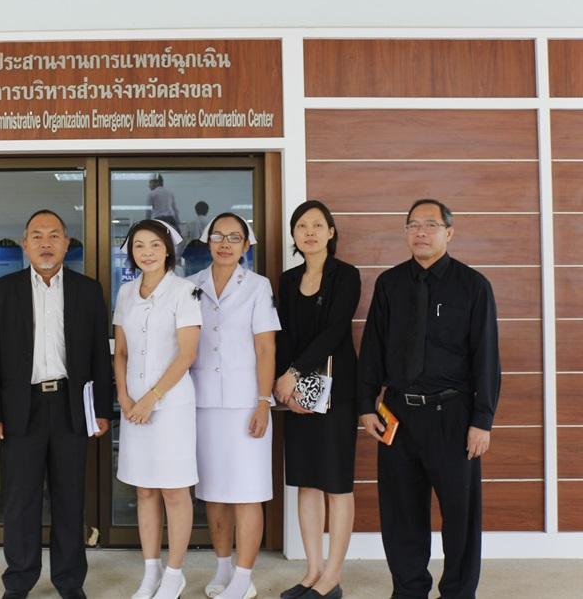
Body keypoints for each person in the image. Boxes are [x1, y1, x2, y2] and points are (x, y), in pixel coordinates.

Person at [358, 199, 501, 599]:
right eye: (413, 225)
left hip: (453, 415)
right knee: (401, 513)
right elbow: (373, 349)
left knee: (460, 515)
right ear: (405, 232)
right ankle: (409, 590)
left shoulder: (473, 286)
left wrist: (482, 420)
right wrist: (366, 405)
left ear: (449, 233)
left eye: (430, 225)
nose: (420, 232)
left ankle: (458, 592)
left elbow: (487, 358)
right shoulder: (389, 284)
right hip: (398, 415)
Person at [0, 209, 113, 599]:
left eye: (54, 235)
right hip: (21, 409)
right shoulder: (4, 291)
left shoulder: (88, 290)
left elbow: (99, 357)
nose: (46, 243)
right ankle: (19, 581)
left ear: (67, 243)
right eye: (37, 235)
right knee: (20, 500)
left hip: (71, 406)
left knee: (70, 499)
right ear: (25, 244)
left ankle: (69, 582)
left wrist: (102, 410)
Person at [188, 213, 281, 599]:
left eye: (234, 237)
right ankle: (223, 567)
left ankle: (244, 576)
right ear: (207, 241)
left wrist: (263, 401)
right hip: (203, 402)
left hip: (246, 402)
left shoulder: (258, 286)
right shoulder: (190, 285)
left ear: (246, 244)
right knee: (213, 493)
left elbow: (266, 348)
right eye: (218, 236)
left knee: (247, 491)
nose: (225, 243)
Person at [275, 201, 361, 599]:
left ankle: (333, 577)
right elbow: (283, 335)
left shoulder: (346, 276)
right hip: (296, 395)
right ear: (294, 235)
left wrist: (293, 374)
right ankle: (312, 571)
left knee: (336, 483)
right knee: (307, 482)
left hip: (336, 393)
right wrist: (288, 388)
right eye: (301, 226)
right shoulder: (287, 280)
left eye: (317, 225)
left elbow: (334, 331)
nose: (309, 232)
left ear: (330, 232)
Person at [114, 219, 202, 599]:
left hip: (171, 406)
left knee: (174, 491)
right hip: (133, 406)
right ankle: (151, 572)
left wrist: (152, 398)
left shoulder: (185, 291)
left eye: (154, 245)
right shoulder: (125, 293)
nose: (146, 252)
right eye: (139, 245)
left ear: (167, 250)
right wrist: (123, 396)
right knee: (145, 490)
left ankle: (174, 574)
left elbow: (187, 354)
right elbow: (120, 351)